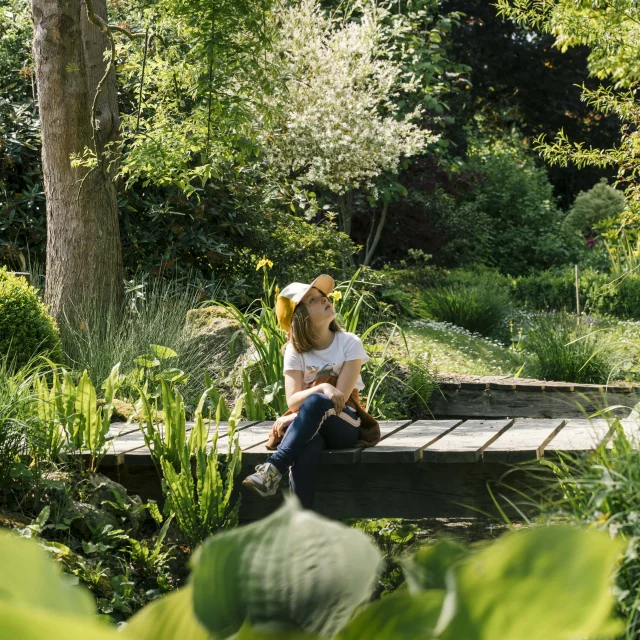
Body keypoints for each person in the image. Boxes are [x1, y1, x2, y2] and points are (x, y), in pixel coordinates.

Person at [241, 274, 375, 509]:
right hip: (311, 425)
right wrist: (321, 387)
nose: (325, 299)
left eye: (323, 296)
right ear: (300, 316)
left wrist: (301, 411)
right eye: (313, 299)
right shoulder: (295, 351)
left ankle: (274, 467)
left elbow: (338, 399)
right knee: (307, 446)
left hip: (344, 423)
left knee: (316, 401)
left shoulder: (349, 343)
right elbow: (293, 401)